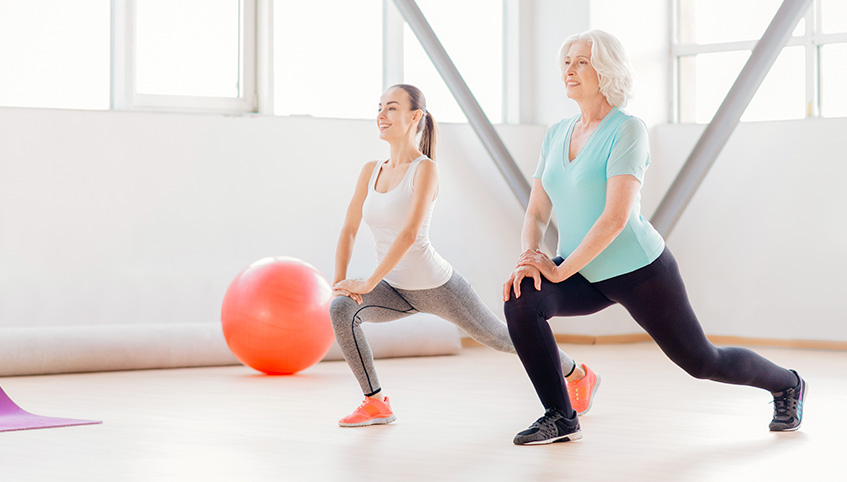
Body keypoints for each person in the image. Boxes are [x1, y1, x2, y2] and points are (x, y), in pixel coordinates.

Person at [502, 30, 807, 446]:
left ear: (605, 70)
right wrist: (529, 260)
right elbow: (537, 211)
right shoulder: (556, 134)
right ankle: (560, 415)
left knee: (701, 360)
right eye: (567, 62)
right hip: (581, 268)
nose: (569, 70)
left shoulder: (627, 130)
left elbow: (614, 218)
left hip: (638, 269)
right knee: (521, 298)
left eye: (582, 62)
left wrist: (558, 272)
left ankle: (786, 384)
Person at [329, 84, 600, 427]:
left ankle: (578, 374)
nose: (381, 115)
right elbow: (349, 228)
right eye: (379, 107)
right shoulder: (371, 170)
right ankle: (375, 402)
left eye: (392, 108)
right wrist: (340, 282)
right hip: (394, 289)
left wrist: (369, 280)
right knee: (341, 309)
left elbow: (410, 235)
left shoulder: (425, 169)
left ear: (415, 117)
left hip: (437, 286)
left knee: (502, 338)